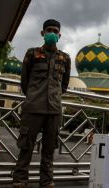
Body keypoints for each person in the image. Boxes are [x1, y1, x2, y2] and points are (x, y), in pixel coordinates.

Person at [13, 19, 71, 188]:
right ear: (42, 33)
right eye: (49, 30)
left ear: (59, 35)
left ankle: (46, 182)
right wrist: (33, 95)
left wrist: (54, 96)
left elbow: (64, 85)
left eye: (55, 31)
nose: (52, 33)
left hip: (54, 110)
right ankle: (20, 180)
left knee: (49, 149)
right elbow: (25, 82)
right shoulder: (32, 54)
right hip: (33, 108)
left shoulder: (65, 58)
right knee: (26, 147)